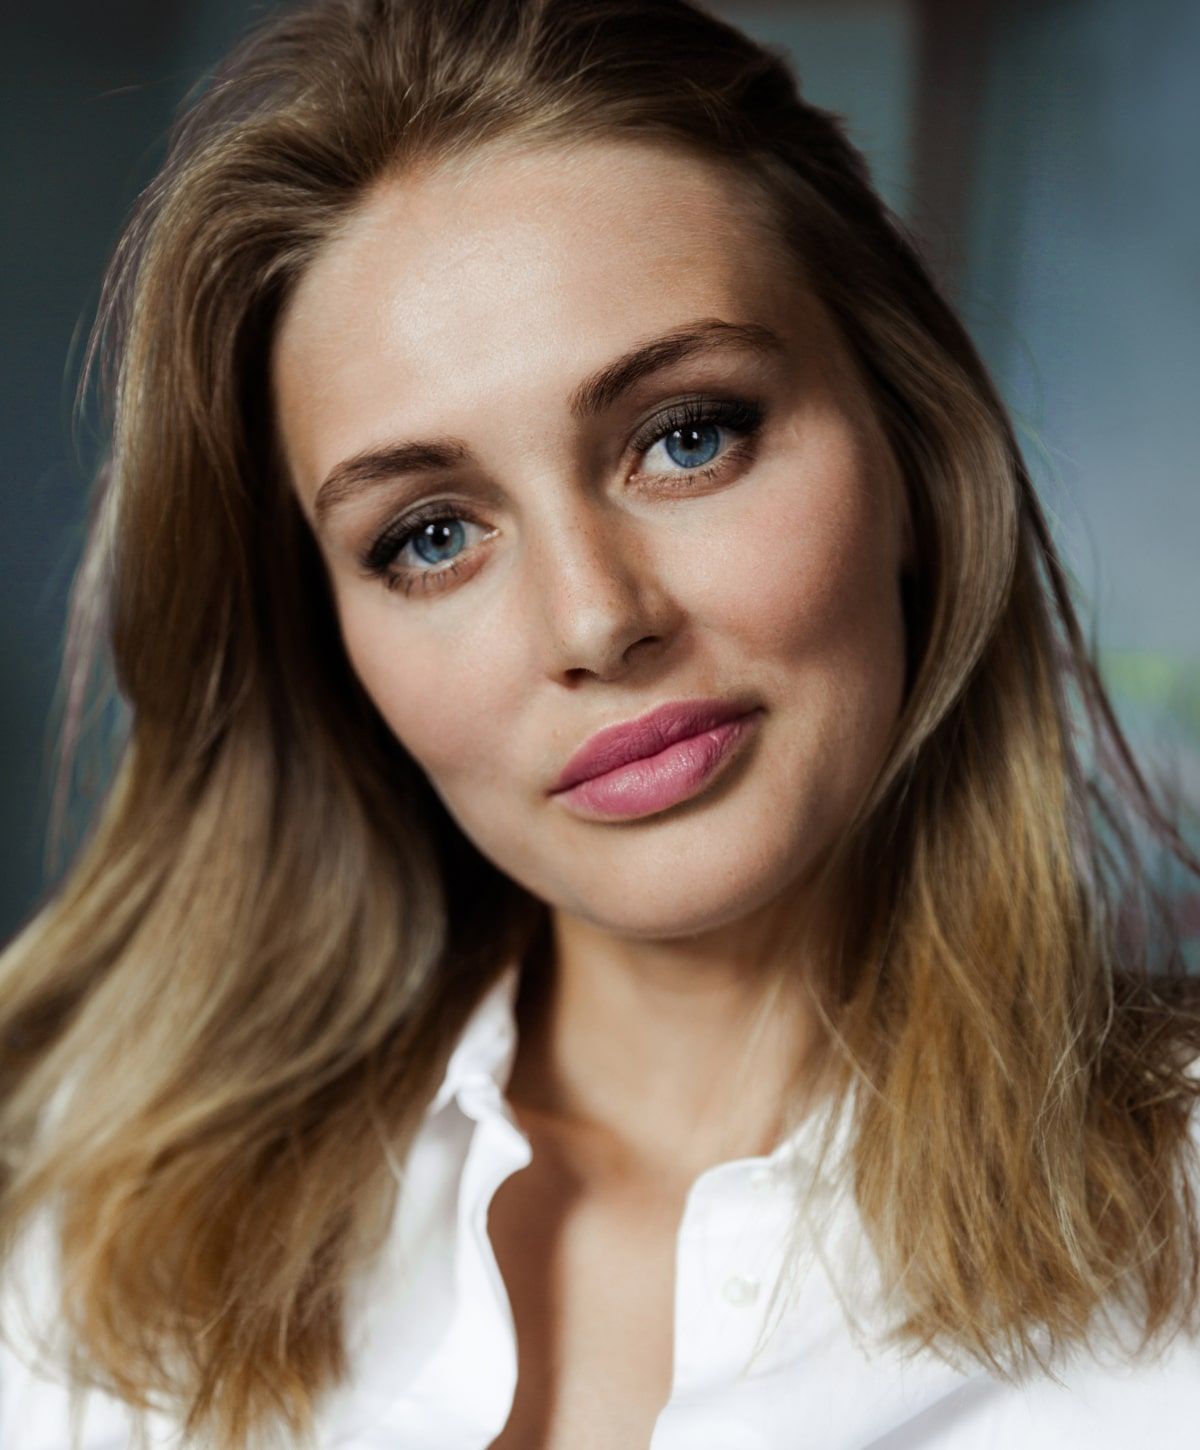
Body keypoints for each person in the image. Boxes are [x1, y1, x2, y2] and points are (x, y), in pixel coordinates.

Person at [2, 0, 1199, 1445]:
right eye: (430, 536)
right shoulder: (86, 1256)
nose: (595, 619)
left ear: (913, 453)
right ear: (331, 646)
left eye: (686, 435)